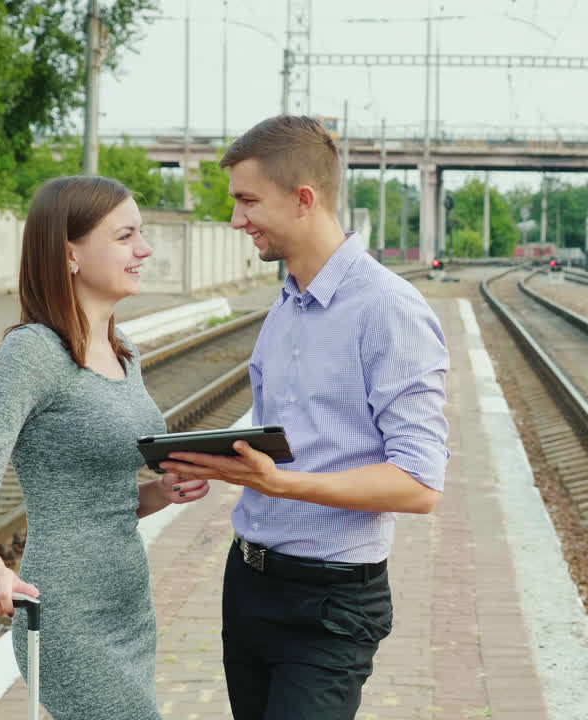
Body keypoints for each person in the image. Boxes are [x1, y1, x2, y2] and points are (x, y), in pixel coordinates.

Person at [159, 115, 450, 719]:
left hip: (332, 601)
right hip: (250, 582)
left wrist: (281, 484)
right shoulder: (284, 308)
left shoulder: (390, 311)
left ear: (303, 200)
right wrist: (220, 464)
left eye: (246, 201)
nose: (237, 220)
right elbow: (286, 446)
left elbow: (420, 485)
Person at [0, 175, 208, 719]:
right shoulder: (32, 353)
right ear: (70, 253)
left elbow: (101, 500)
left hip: (129, 604)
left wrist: (160, 492)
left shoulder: (125, 351)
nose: (145, 249)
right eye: (125, 236)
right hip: (68, 611)